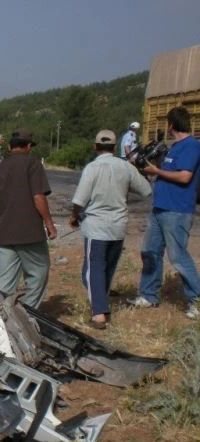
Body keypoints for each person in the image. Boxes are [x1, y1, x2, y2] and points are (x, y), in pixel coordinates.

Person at [69, 129, 153, 329]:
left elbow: (80, 199)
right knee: (107, 268)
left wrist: (74, 216)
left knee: (93, 270)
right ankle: (101, 297)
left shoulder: (92, 168)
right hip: (118, 227)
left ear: (95, 147)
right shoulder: (125, 167)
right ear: (115, 147)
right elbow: (146, 190)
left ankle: (99, 314)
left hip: (97, 226)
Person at [127, 106, 200, 318]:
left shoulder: (191, 146)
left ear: (171, 125)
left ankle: (196, 300)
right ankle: (149, 296)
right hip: (160, 208)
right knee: (149, 251)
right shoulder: (174, 147)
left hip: (177, 210)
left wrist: (157, 171)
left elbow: (185, 177)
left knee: (178, 256)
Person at [0, 129, 56, 309]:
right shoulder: (33, 164)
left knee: (3, 283)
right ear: (28, 147)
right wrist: (49, 224)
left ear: (8, 146)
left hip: (5, 235)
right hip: (30, 235)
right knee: (38, 274)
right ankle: (26, 313)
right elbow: (39, 197)